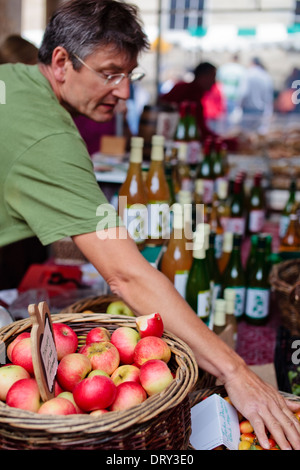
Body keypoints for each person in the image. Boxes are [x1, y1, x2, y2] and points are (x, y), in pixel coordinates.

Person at [0, 0, 300, 450]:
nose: (123, 91)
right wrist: (237, 372)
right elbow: (125, 275)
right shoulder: (51, 138)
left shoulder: (13, 80)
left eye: (130, 75)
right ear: (61, 62)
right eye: (109, 72)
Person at [159, 61, 217, 141]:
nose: (214, 82)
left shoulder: (185, 88)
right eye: (213, 77)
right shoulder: (190, 93)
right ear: (203, 76)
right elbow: (199, 131)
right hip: (172, 141)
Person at [238, 57, 274, 134]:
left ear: (252, 63)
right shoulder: (266, 76)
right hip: (260, 111)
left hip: (247, 110)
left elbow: (243, 93)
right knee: (258, 137)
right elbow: (268, 97)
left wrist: (239, 107)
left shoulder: (247, 74)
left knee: (247, 136)